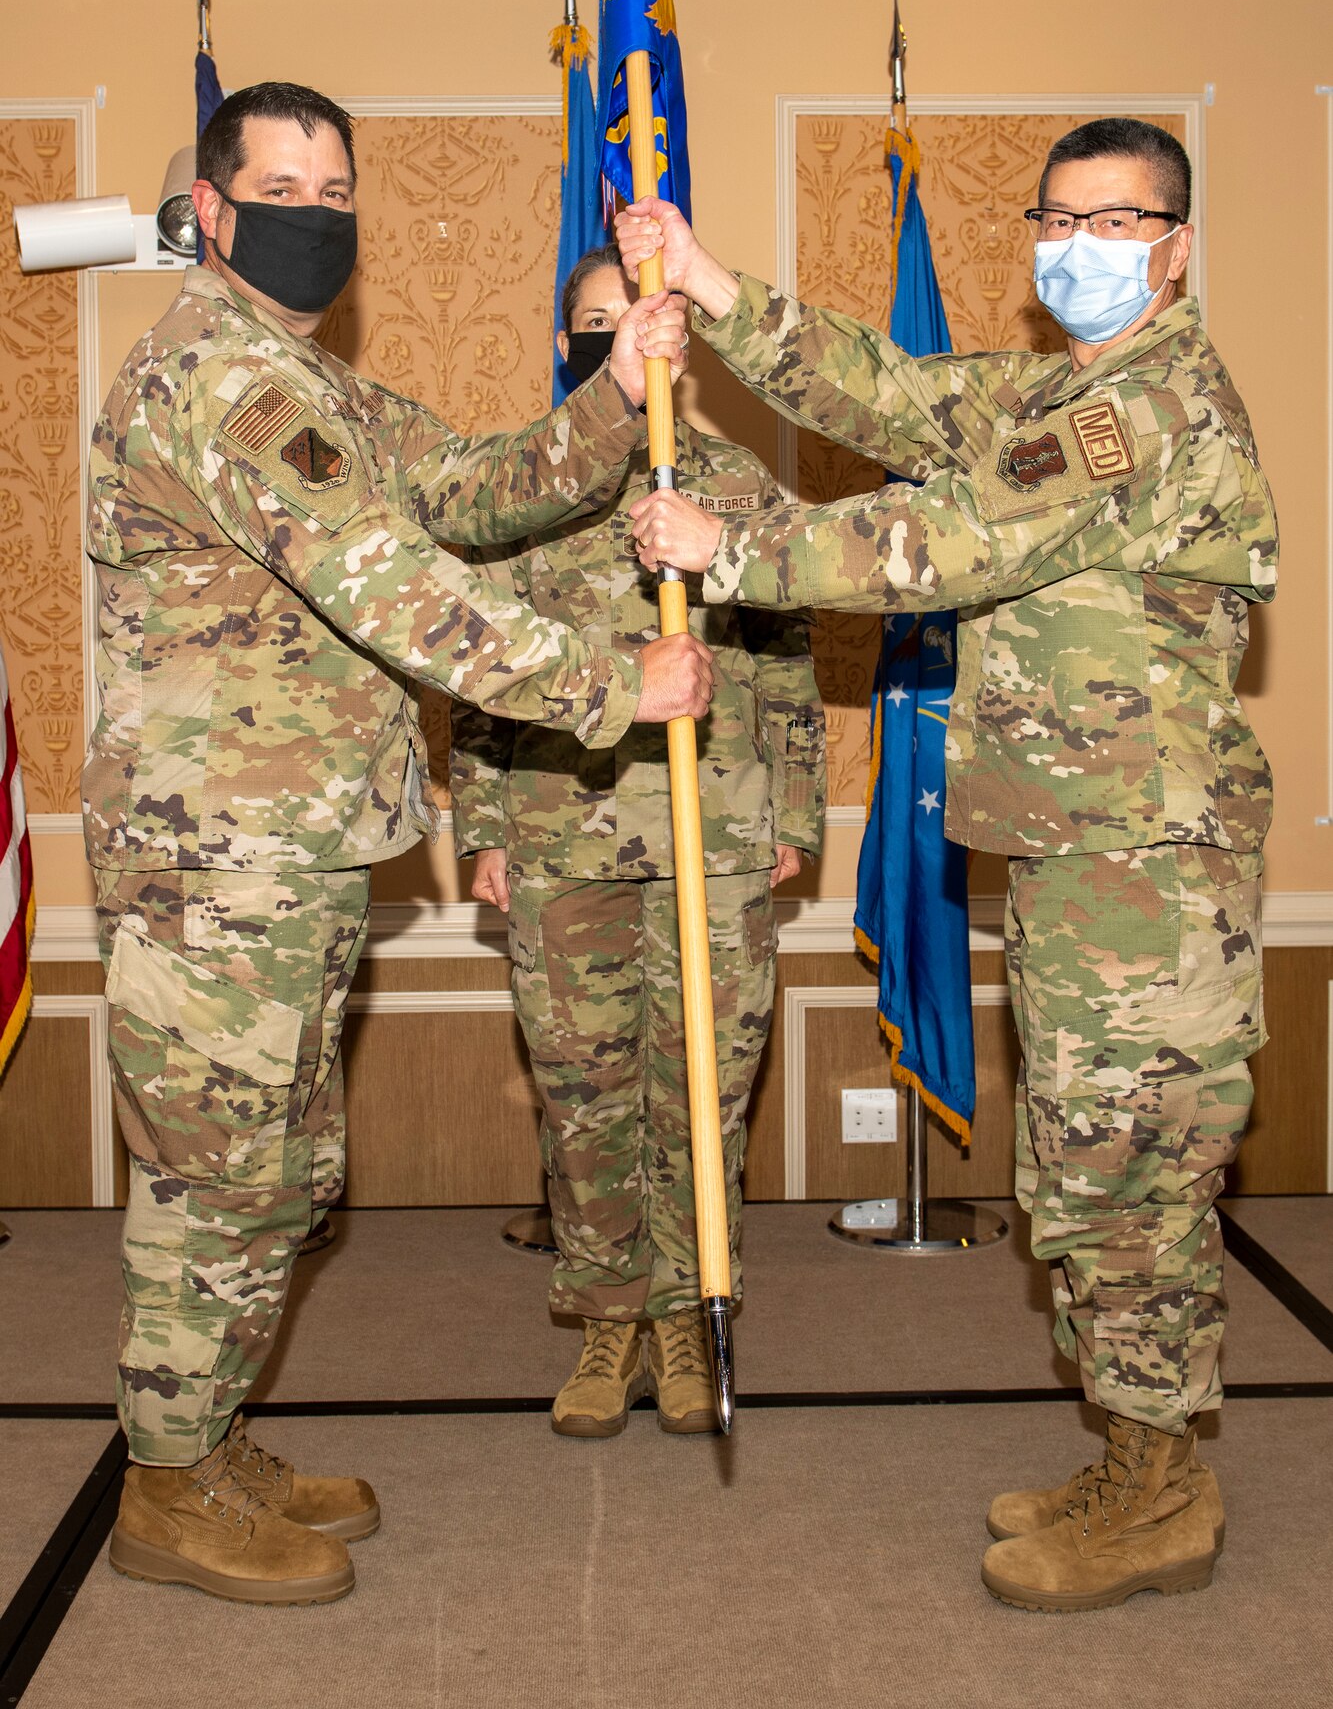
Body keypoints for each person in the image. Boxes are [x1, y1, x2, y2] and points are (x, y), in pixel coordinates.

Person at [617, 117, 1277, 1611]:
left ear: (1177, 246)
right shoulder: (1055, 386)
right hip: (1078, 853)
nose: (1080, 246)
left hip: (1147, 873)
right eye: (1059, 218)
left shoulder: (1145, 409)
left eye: (1119, 224)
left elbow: (958, 536)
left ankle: (1164, 1490)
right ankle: (1133, 1450)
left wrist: (734, 547)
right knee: (1088, 1173)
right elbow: (897, 393)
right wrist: (717, 289)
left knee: (1133, 1182)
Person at [85, 82, 714, 1607]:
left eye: (336, 186)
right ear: (214, 214)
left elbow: (464, 494)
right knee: (222, 1177)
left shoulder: (320, 387)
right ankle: (166, 1486)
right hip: (215, 856)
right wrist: (606, 684)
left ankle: (209, 1437)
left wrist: (615, 394)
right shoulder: (217, 382)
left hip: (284, 852)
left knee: (281, 1173)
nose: (316, 212)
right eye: (281, 186)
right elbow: (397, 590)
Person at [451, 245, 825, 1438]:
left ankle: (689, 1311)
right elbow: (471, 670)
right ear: (571, 340)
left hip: (712, 832)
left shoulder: (735, 487)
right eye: (589, 319)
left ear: (677, 331)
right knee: (585, 1096)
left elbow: (787, 659)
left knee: (703, 1096)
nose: (612, 330)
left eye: (632, 311)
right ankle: (608, 1321)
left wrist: (795, 815)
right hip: (563, 834)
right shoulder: (527, 486)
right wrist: (486, 822)